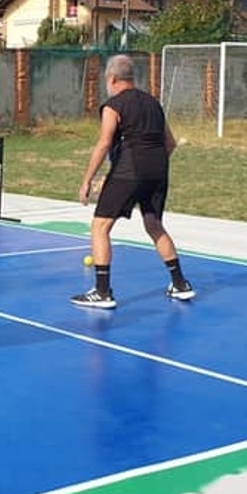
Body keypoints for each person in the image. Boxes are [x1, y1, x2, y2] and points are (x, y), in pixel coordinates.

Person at [71, 54, 195, 309]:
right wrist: (149, 167)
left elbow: (104, 143)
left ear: (112, 78)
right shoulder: (154, 104)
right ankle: (180, 283)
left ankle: (103, 292)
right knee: (153, 224)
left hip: (130, 171)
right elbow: (169, 143)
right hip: (158, 171)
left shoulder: (113, 105)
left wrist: (87, 180)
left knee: (100, 227)